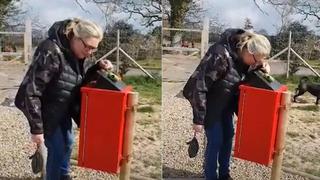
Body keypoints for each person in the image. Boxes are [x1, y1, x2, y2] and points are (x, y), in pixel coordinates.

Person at [15, 18, 113, 180]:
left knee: (67, 142)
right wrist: (37, 129)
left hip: (62, 106)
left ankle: (64, 175)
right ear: (75, 36)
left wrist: (97, 67)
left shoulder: (79, 52)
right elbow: (31, 91)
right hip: (45, 108)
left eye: (93, 49)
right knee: (57, 148)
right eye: (87, 46)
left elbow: (77, 78)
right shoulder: (50, 50)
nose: (89, 52)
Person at [183, 29, 271, 180]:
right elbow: (200, 86)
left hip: (226, 101)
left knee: (228, 136)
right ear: (248, 51)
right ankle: (210, 176)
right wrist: (198, 119)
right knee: (215, 140)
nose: (257, 62)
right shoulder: (219, 54)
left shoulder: (245, 59)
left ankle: (224, 175)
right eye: (256, 59)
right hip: (210, 102)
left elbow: (242, 78)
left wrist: (262, 68)